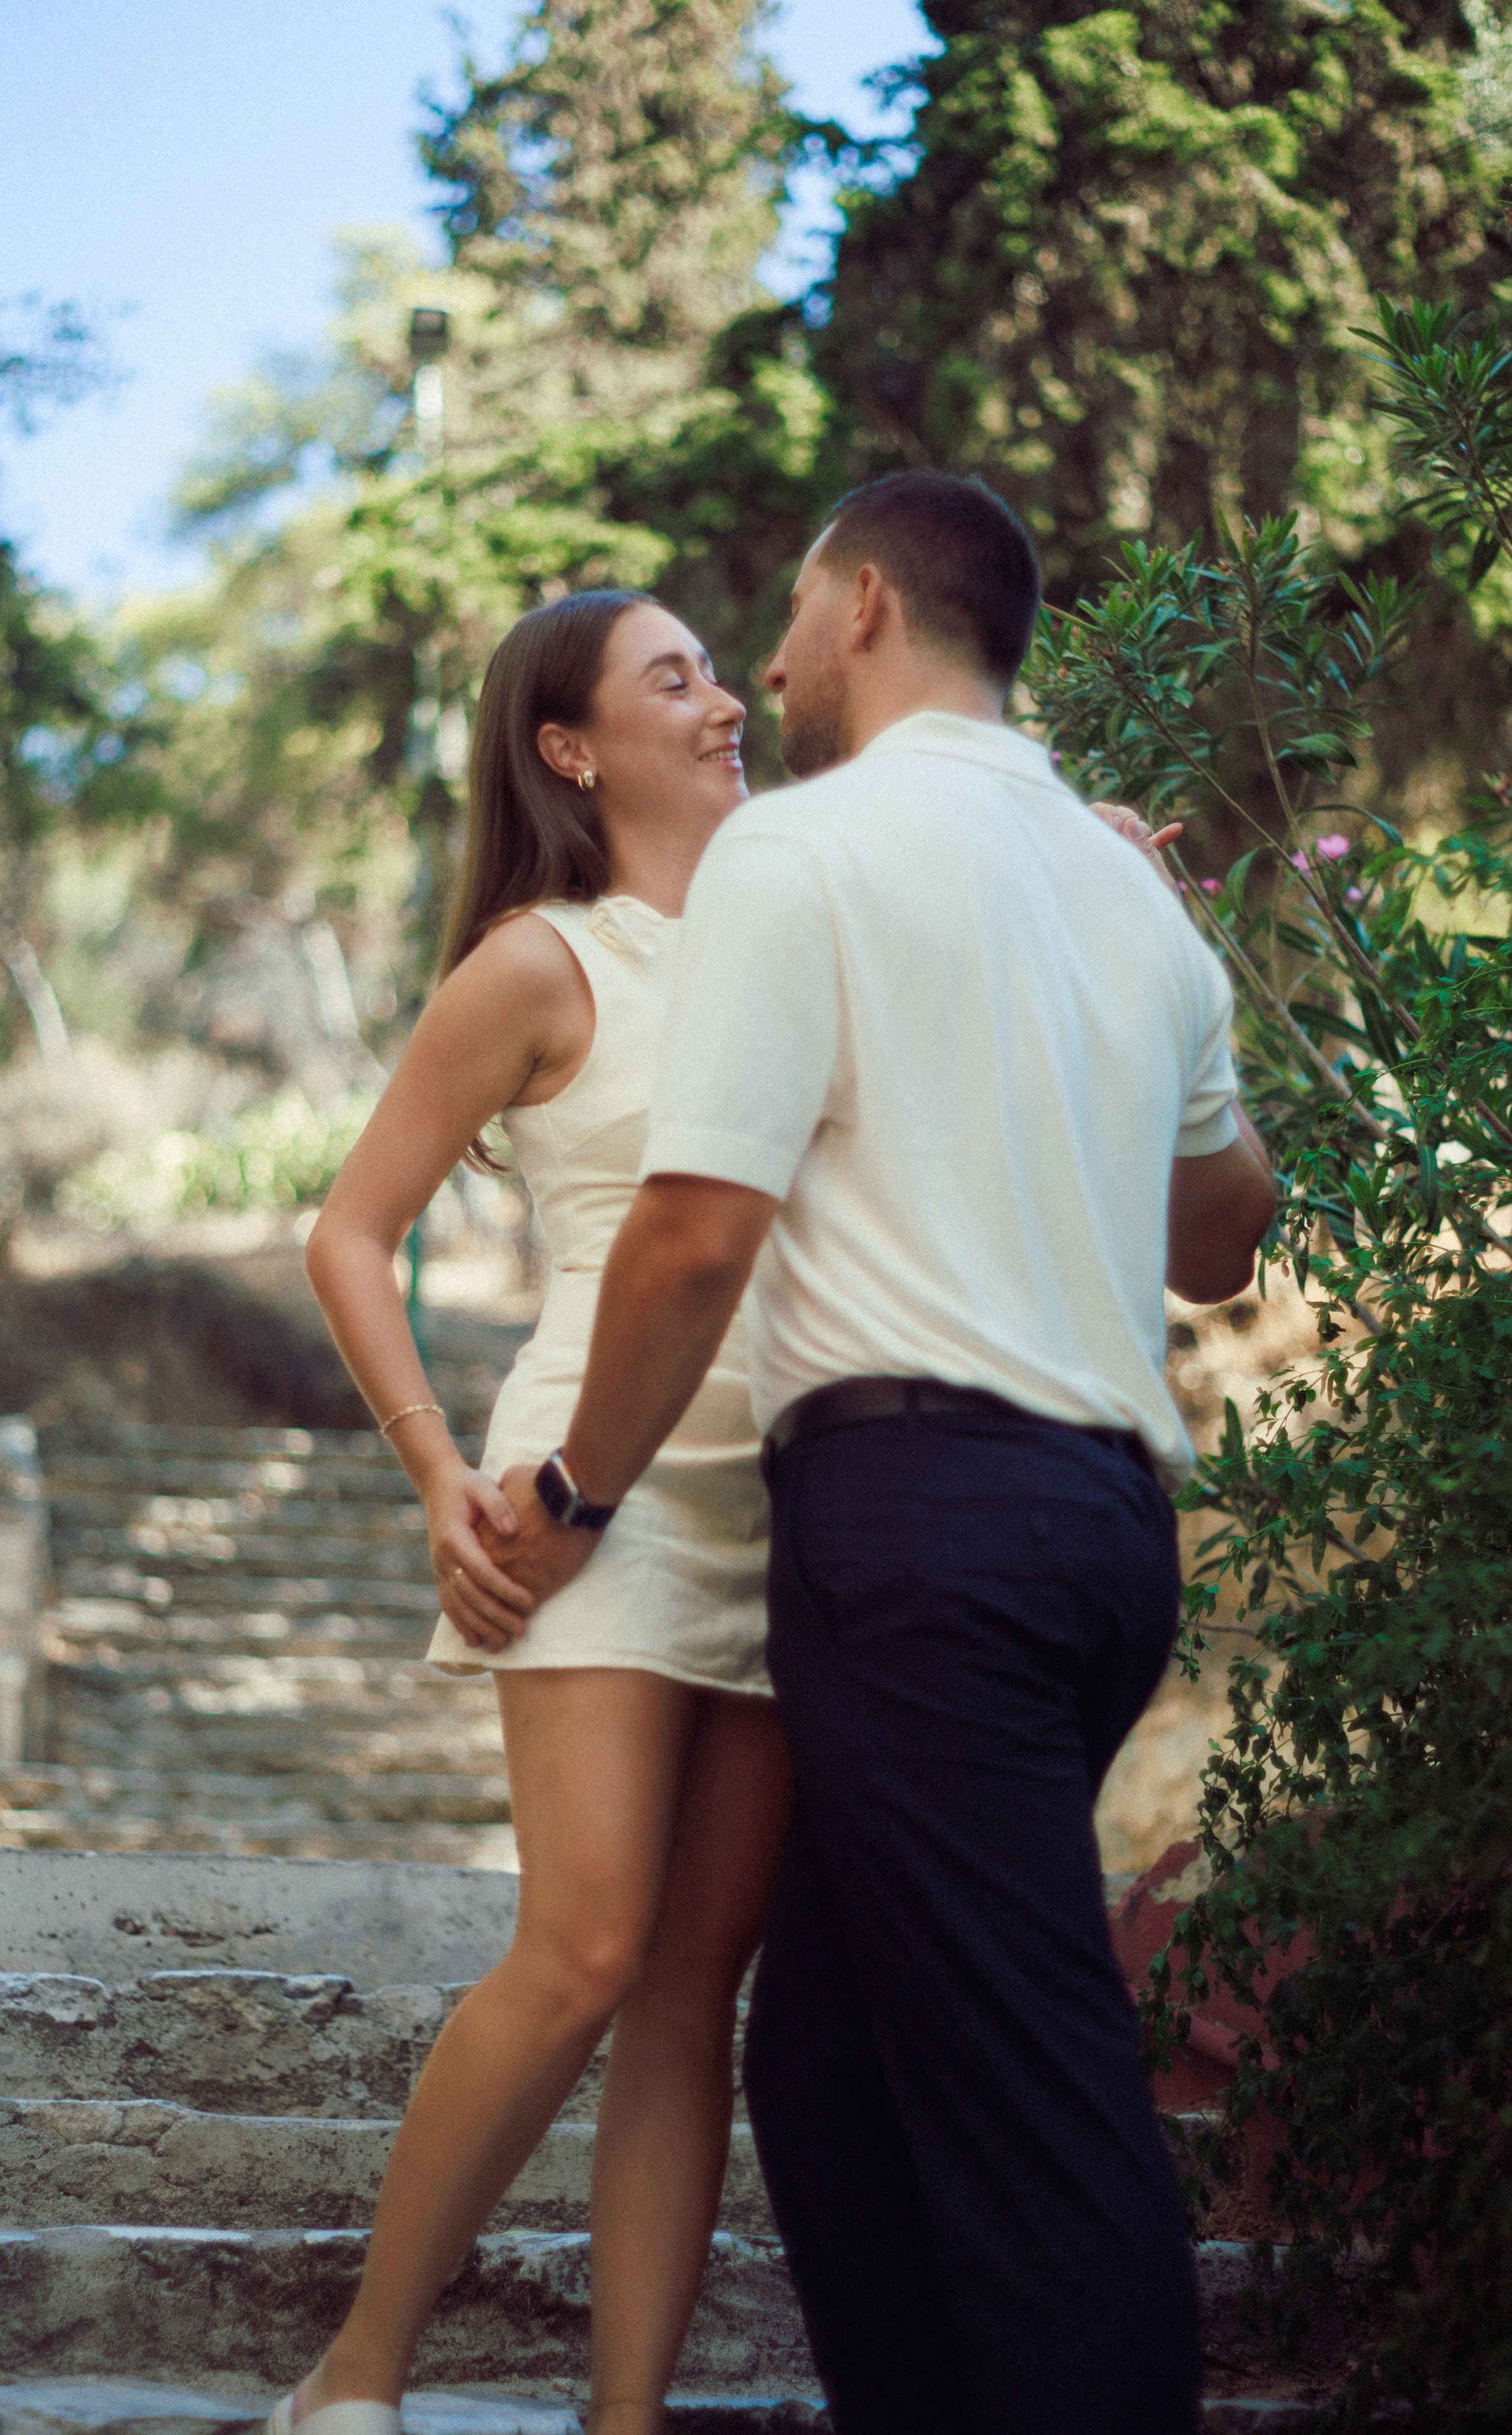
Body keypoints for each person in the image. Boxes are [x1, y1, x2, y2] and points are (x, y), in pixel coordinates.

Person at [486, 471, 1279, 2434]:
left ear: (862, 607)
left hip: (929, 1533)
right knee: (830, 2065)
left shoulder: (803, 849)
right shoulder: (1127, 890)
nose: (761, 675)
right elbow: (1225, 1236)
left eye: (781, 625)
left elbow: (693, 1235)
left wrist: (576, 1492)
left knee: (1031, 2084)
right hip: (1103, 1537)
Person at [283, 588, 792, 2435]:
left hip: (792, 1493)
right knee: (584, 1948)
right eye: (676, 679)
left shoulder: (796, 930)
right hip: (589, 1492)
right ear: (571, 748)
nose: (726, 702)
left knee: (692, 1990)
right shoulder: (541, 964)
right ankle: (354, 2380)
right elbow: (351, 1233)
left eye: (718, 671)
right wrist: (438, 1472)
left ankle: (625, 2417)